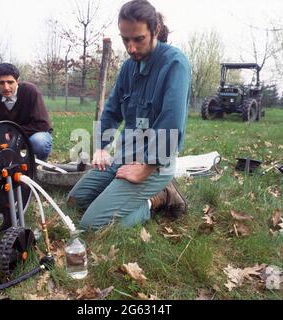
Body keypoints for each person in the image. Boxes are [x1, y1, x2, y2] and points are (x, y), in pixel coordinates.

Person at [67, 0, 191, 230]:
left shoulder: (175, 64)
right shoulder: (128, 68)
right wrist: (102, 147)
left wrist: (145, 168)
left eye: (138, 39)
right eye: (125, 39)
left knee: (92, 225)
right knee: (75, 201)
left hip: (153, 166)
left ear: (155, 31)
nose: (131, 48)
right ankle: (118, 196)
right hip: (122, 159)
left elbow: (171, 121)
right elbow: (112, 109)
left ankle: (159, 197)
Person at [0, 63, 53, 160]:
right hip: (3, 136)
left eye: (10, 82)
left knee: (39, 142)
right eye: (1, 83)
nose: (6, 87)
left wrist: (12, 134)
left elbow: (42, 124)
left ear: (17, 81)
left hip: (29, 135)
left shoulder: (30, 91)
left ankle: (38, 167)